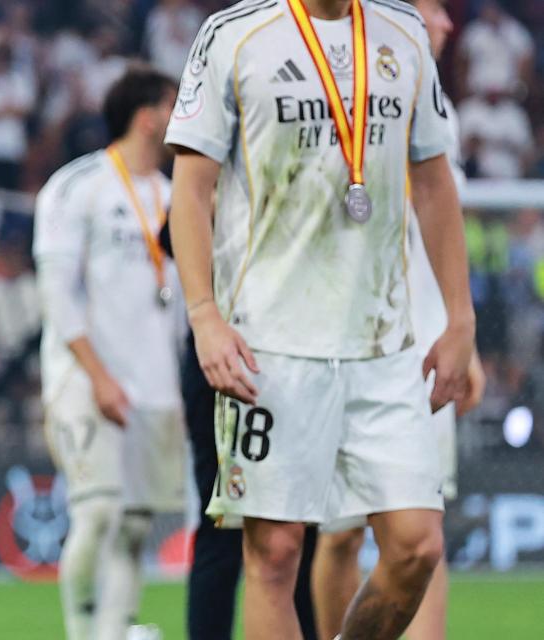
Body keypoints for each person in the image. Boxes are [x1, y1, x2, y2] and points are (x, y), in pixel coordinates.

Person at [167, 1, 474, 639]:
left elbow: (434, 181)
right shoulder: (233, 34)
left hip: (382, 340)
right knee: (275, 555)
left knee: (416, 546)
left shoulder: (403, 31)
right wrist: (204, 315)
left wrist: (460, 318)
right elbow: (190, 189)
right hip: (269, 342)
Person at [308, 2, 486, 639]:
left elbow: (437, 228)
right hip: (351, 338)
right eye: (433, 9)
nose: (445, 24)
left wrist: (462, 331)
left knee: (421, 523)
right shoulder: (334, 90)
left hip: (426, 340)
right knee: (340, 532)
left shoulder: (441, 111)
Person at [35, 66, 184, 640]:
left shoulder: (175, 196)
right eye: (174, 106)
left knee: (135, 525)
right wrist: (96, 376)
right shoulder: (78, 186)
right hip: (85, 380)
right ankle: (82, 631)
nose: (181, 118)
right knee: (97, 511)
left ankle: (114, 631)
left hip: (155, 386)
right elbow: (56, 293)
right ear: (148, 115)